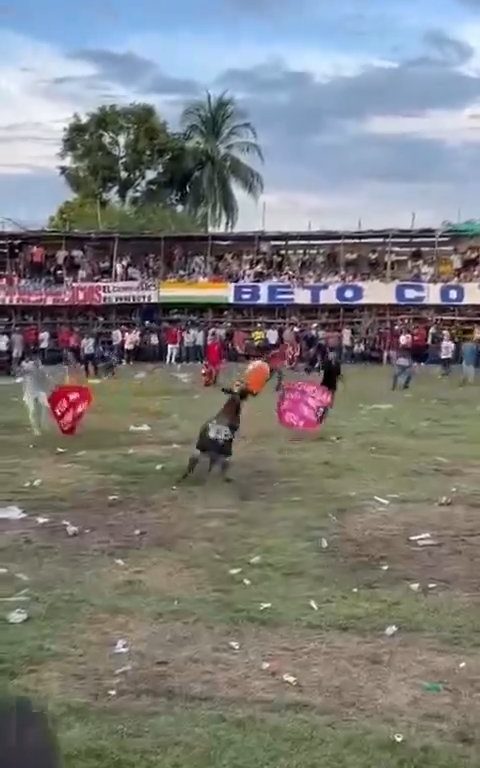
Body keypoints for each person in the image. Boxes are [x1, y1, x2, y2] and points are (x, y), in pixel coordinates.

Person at [178, 383, 250, 483]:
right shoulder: (236, 402)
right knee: (223, 454)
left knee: (202, 450)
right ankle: (220, 475)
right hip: (224, 428)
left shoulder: (233, 402)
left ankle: (188, 473)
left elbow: (229, 392)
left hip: (216, 425)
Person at [20, 352, 50, 436]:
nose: (36, 360)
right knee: (32, 411)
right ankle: (35, 429)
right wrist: (24, 370)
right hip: (29, 392)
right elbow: (21, 372)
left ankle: (42, 425)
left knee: (45, 407)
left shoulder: (41, 367)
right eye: (35, 358)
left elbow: (45, 377)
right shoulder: (27, 365)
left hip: (39, 391)